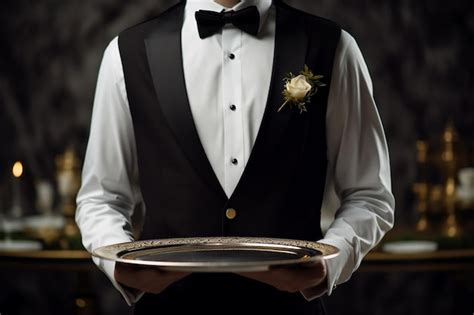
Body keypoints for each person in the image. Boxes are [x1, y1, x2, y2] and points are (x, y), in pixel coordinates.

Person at [76, 0, 395, 314]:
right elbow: (100, 198)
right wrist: (118, 266)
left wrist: (331, 261)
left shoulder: (332, 46)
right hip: (169, 307)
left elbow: (370, 194)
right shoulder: (126, 52)